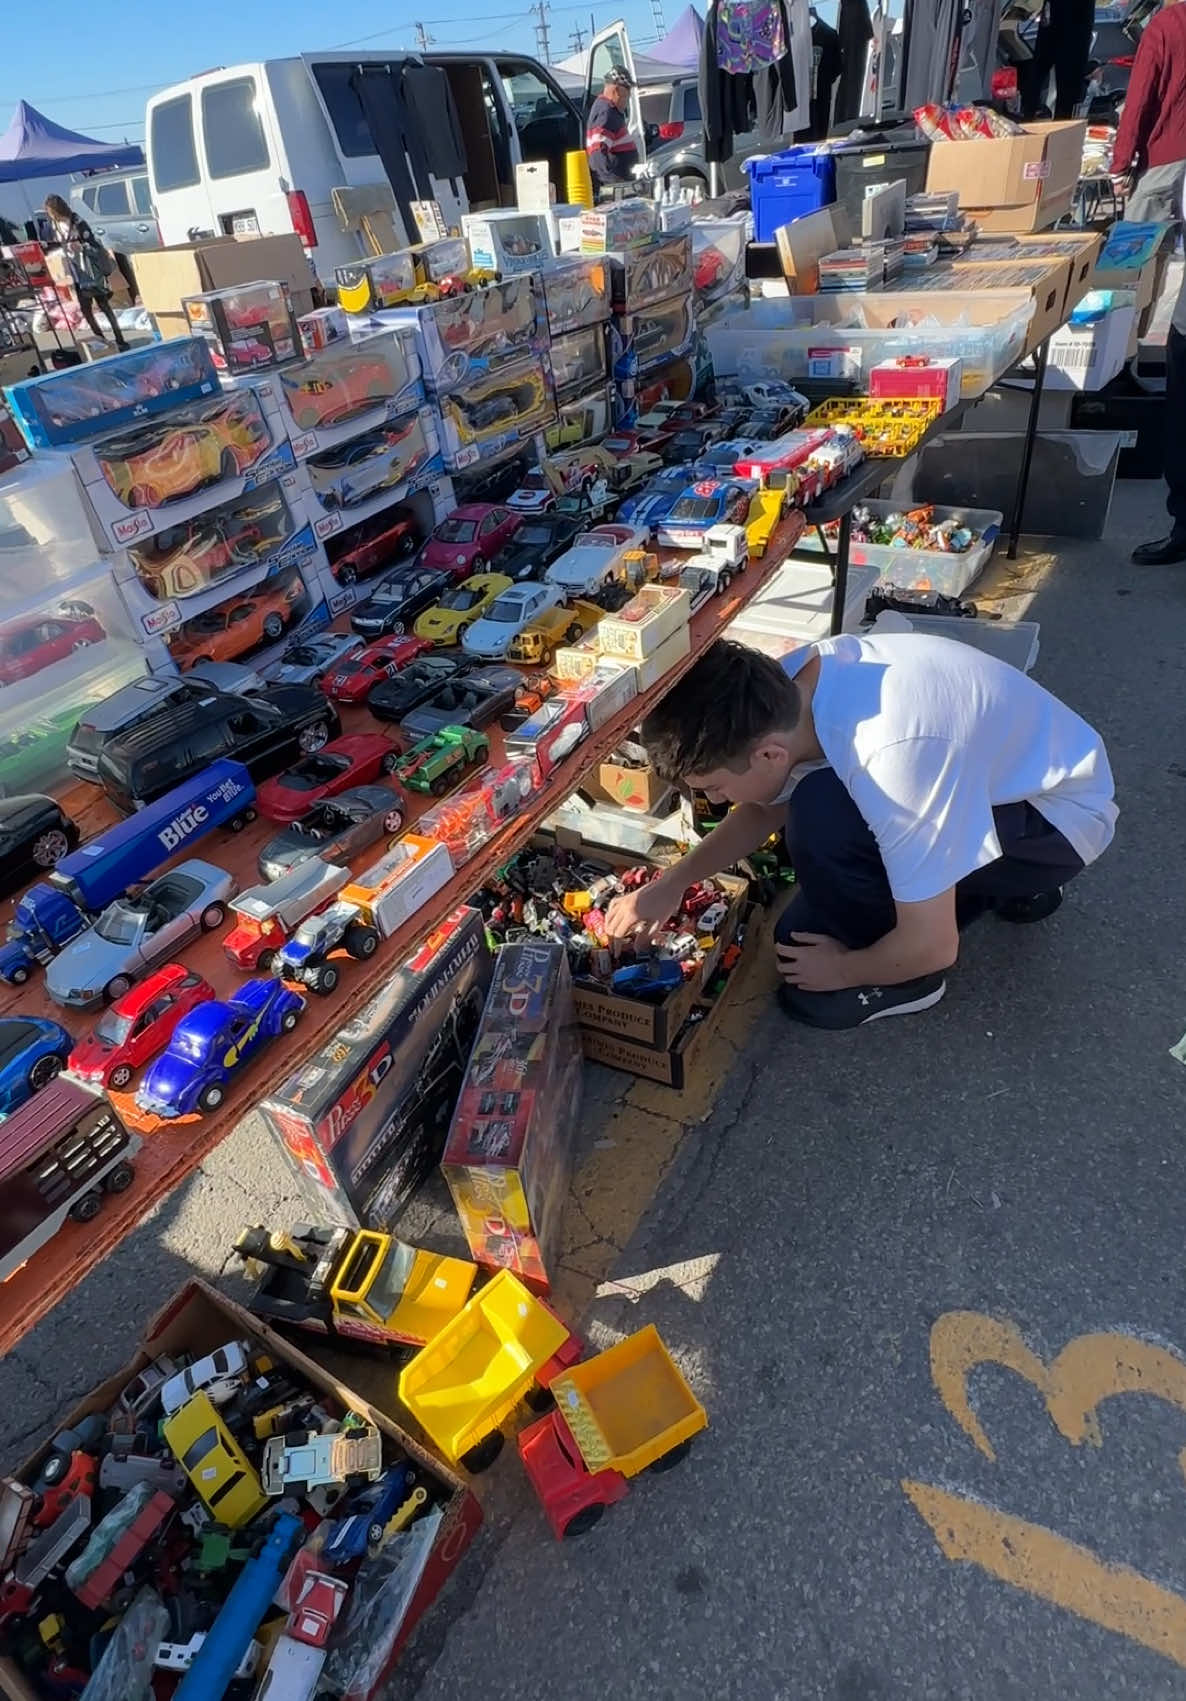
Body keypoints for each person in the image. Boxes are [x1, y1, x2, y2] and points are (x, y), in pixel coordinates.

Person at [604, 635, 1116, 1030]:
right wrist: (671, 885)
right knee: (818, 833)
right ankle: (985, 887)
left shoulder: (893, 758)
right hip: (1022, 779)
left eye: (714, 787)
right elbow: (762, 810)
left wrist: (848, 969)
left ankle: (912, 984)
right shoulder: (787, 687)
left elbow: (935, 944)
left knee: (817, 841)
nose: (716, 802)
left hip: (1059, 824)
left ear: (768, 755)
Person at [1110, 0, 1186, 223]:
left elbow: (1138, 100)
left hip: (1168, 153)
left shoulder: (1165, 26)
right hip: (1172, 151)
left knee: (1136, 246)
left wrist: (1120, 165)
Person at [43, 194, 129, 351]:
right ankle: (102, 341)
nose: (49, 214)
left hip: (90, 268)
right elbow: (53, 244)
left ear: (56, 209)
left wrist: (81, 246)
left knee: (104, 305)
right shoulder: (53, 225)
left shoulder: (76, 220)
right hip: (76, 271)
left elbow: (92, 242)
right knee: (86, 309)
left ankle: (120, 339)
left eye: (50, 210)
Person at [585, 66, 639, 189]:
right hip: (615, 188)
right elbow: (597, 154)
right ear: (616, 91)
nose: (627, 101)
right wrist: (616, 185)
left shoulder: (609, 110)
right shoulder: (606, 112)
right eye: (626, 96)